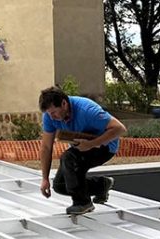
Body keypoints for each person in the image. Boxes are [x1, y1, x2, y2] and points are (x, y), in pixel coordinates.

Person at [39, 86, 126, 215]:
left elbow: (120, 129)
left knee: (68, 157)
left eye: (54, 113)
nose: (52, 117)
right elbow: (46, 147)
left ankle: (83, 202)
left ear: (64, 103)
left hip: (105, 146)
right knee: (59, 185)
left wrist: (91, 144)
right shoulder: (49, 117)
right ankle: (101, 185)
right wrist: (44, 178)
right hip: (81, 147)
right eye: (49, 114)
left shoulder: (88, 110)